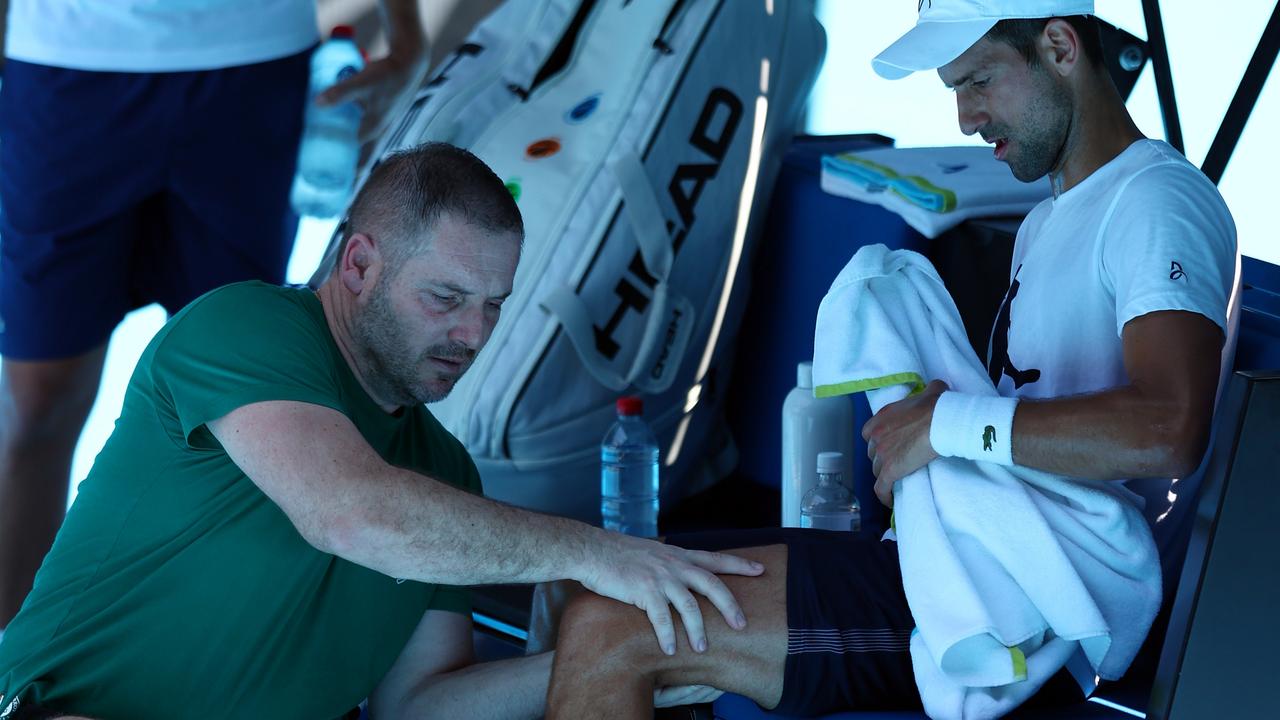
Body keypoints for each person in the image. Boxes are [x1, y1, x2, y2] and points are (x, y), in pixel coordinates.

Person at [543, 1, 1237, 717]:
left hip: (1044, 602)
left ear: (1060, 46)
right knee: (590, 587)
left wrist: (943, 428)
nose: (967, 119)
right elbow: (999, 429)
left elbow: (1168, 427)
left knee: (615, 626)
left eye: (979, 82)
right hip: (976, 560)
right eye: (956, 92)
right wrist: (932, 448)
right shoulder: (1047, 221)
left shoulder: (1156, 201)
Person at [0, 143, 763, 720]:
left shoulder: (443, 477)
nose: (473, 332)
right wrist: (598, 554)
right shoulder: (248, 328)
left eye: (494, 305)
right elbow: (351, 512)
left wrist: (643, 659)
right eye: (446, 296)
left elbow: (419, 706)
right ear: (360, 265)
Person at [0, 0, 463, 632]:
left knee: (239, 406)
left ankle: (190, 676)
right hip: (66, 62)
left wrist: (408, 36)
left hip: (252, 61)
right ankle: (11, 685)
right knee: (37, 403)